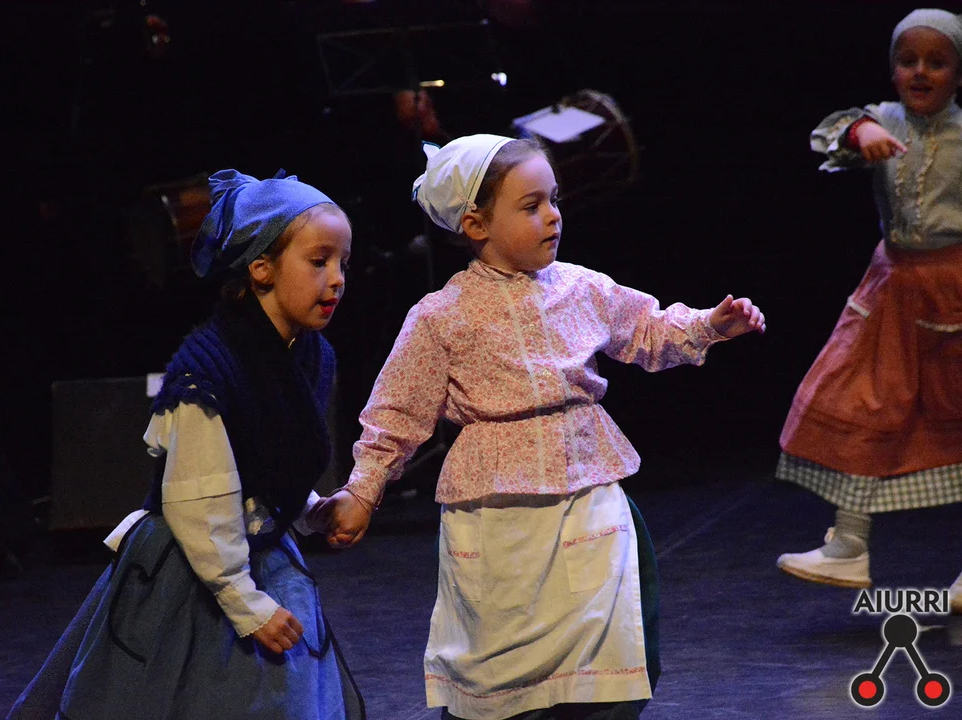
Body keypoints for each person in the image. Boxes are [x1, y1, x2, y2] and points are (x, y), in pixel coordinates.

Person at [313, 134, 765, 720]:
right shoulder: (440, 316)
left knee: (609, 647)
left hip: (588, 489)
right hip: (499, 510)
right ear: (476, 225)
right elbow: (396, 413)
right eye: (531, 206)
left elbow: (646, 329)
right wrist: (363, 491)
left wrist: (709, 326)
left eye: (554, 200)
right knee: (504, 658)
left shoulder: (581, 287)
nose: (552, 216)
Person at [8, 169, 364, 719]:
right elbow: (201, 502)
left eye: (343, 263)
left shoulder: (310, 356)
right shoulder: (209, 374)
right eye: (319, 261)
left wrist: (312, 510)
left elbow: (268, 467)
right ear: (261, 268)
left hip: (257, 555)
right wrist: (245, 603)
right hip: (196, 568)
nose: (336, 279)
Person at [774, 9, 962, 613]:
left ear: (959, 74)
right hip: (893, 287)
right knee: (862, 400)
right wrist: (860, 135)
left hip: (953, 288)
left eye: (937, 62)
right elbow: (833, 131)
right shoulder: (882, 119)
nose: (921, 71)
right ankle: (849, 544)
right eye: (909, 61)